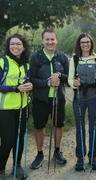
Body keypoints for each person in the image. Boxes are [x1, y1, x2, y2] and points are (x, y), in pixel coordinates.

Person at [0, 34, 33, 180]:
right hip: (4, 109)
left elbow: (27, 83)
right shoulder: (2, 63)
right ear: (9, 46)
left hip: (22, 107)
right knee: (7, 140)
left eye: (18, 44)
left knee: (19, 139)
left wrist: (30, 86)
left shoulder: (26, 65)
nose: (15, 47)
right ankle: (0, 170)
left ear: (23, 47)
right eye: (12, 44)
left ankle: (17, 165)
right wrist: (15, 88)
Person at [30, 29, 69, 169]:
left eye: (52, 39)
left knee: (58, 125)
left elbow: (68, 77)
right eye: (47, 39)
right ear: (42, 41)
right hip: (41, 99)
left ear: (56, 40)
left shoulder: (62, 57)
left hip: (58, 98)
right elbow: (32, 79)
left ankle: (57, 152)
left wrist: (59, 76)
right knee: (39, 126)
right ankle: (40, 154)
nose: (50, 42)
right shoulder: (36, 57)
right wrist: (47, 83)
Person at [68, 33, 96, 171]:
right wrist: (74, 83)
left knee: (93, 128)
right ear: (79, 44)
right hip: (78, 98)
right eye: (83, 42)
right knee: (80, 128)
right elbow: (70, 79)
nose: (85, 44)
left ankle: (93, 157)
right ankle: (80, 156)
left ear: (91, 43)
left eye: (87, 42)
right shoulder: (74, 59)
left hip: (93, 98)